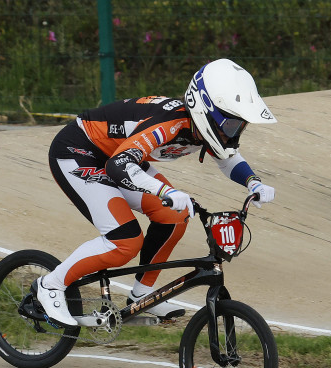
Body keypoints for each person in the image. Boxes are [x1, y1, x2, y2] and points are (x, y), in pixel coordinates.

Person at [36, 58, 277, 327]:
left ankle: (142, 295)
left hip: (120, 160)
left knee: (175, 215)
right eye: (232, 125)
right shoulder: (169, 124)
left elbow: (227, 157)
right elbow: (119, 166)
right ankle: (51, 284)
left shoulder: (202, 127)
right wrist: (164, 190)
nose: (234, 133)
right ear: (207, 111)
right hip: (79, 153)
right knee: (125, 241)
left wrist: (253, 182)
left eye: (239, 126)